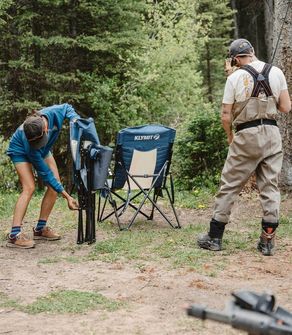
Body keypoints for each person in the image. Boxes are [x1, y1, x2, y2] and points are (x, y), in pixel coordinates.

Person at [197, 39, 291, 256]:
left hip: (246, 135)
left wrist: (231, 137)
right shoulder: (275, 71)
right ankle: (267, 241)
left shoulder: (235, 77)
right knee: (270, 187)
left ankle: (214, 237)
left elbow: (225, 115)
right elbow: (286, 107)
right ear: (253, 51)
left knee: (229, 184)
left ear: (235, 59)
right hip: (272, 134)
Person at [6, 103, 80, 249]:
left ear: (45, 128)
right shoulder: (30, 145)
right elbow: (46, 175)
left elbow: (67, 107)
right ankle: (14, 235)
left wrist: (75, 120)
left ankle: (40, 228)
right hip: (20, 150)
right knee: (29, 187)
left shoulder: (53, 113)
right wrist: (68, 197)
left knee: (54, 186)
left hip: (43, 151)